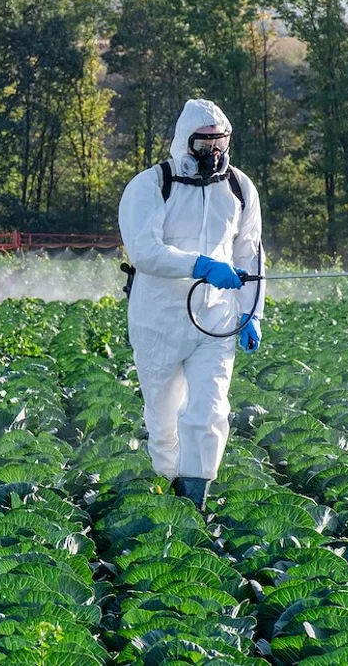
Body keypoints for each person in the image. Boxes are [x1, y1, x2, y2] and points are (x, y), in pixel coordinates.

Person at [118, 99, 265, 512]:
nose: (213, 153)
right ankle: (169, 486)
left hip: (215, 320)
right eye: (204, 144)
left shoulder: (239, 188)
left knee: (210, 409)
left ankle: (196, 497)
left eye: (220, 144)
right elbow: (145, 251)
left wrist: (251, 313)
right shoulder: (150, 186)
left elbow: (250, 255)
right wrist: (199, 265)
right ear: (186, 142)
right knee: (164, 421)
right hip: (158, 321)